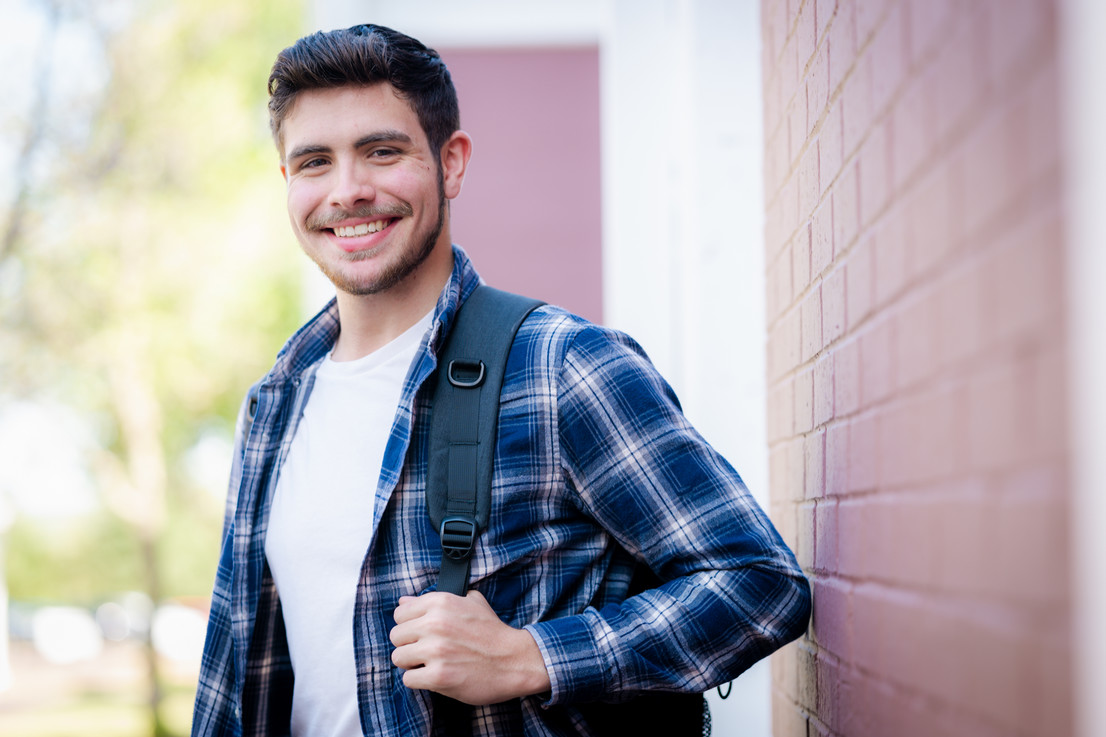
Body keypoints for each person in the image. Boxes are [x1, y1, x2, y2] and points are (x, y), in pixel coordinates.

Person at [191, 23, 811, 737]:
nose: (349, 190)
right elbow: (237, 673)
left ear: (451, 163)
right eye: (314, 162)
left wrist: (532, 655)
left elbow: (759, 583)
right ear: (288, 183)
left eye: (382, 152)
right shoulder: (273, 406)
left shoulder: (563, 367)